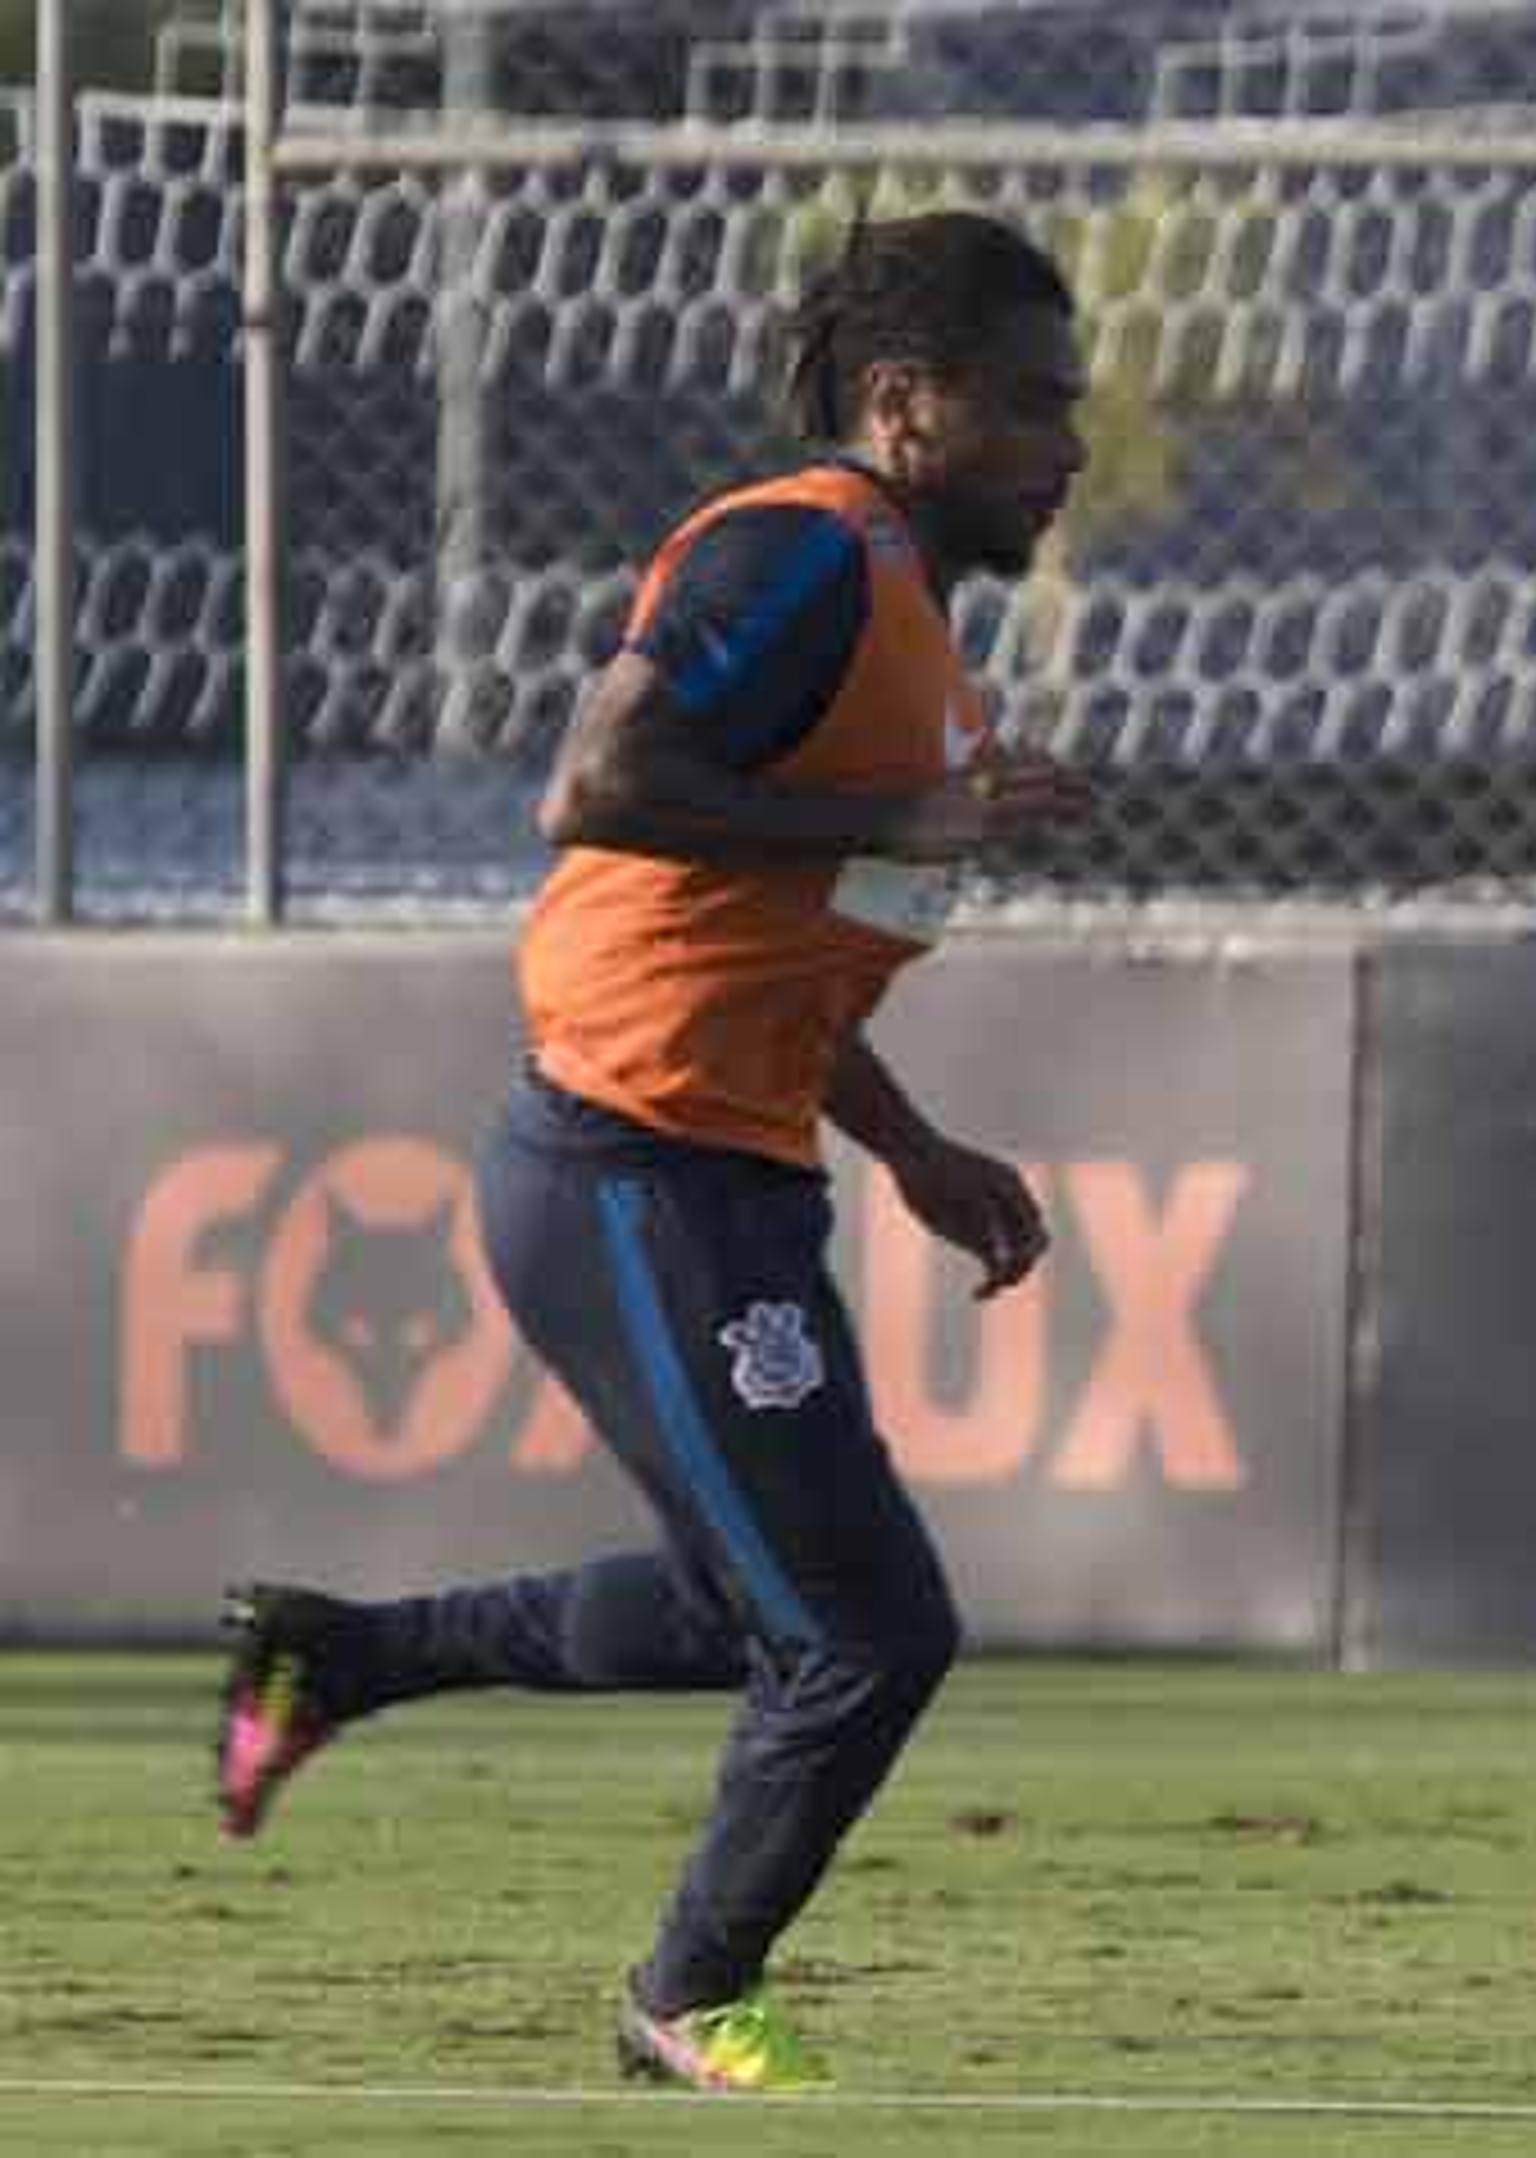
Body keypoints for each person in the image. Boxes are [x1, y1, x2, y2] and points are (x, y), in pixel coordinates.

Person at [209, 209, 1096, 2093]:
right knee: (865, 1630)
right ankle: (688, 1989)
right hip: (625, 1153)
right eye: (1031, 403)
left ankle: (333, 1658)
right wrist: (907, 811)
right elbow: (598, 784)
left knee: (741, 1603)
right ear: (904, 404)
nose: (1068, 445)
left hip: (730, 1154)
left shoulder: (918, 635)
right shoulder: (802, 548)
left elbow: (775, 941)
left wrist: (919, 1146)